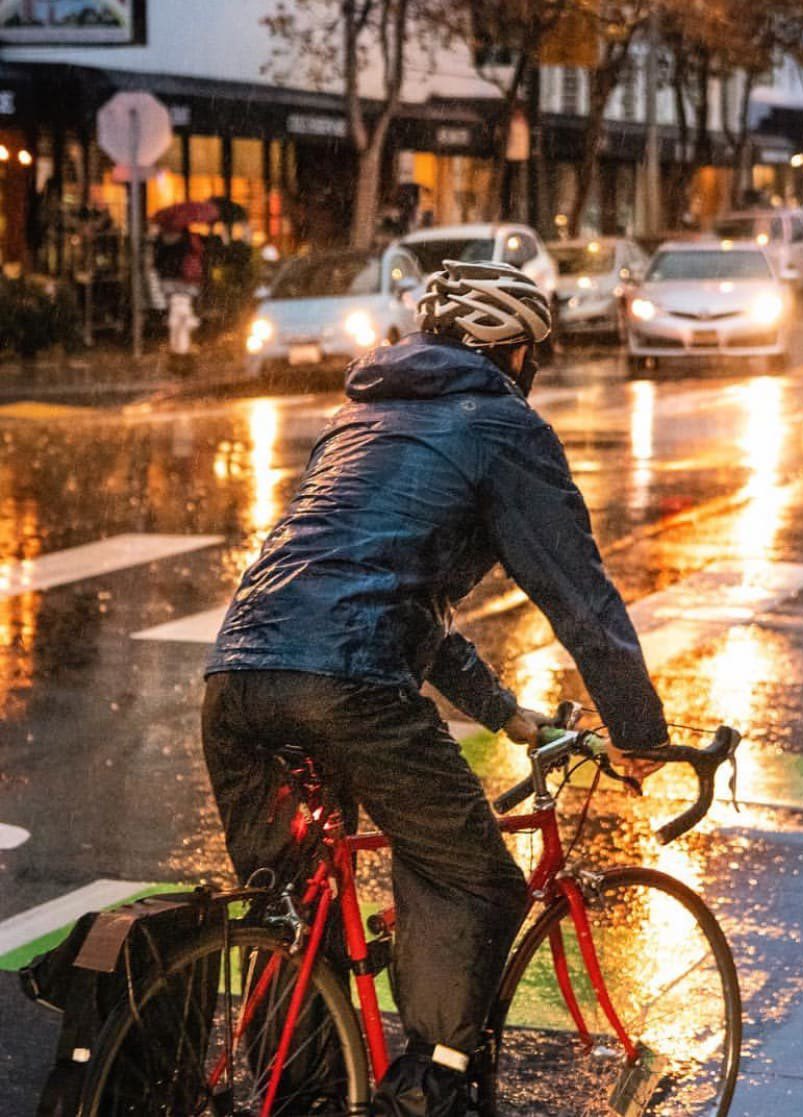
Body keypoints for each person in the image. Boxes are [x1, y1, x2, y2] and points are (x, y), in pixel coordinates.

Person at [202, 259, 668, 1116]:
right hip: (348, 686)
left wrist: (509, 717)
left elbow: (398, 604)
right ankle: (429, 1086)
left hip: (236, 680)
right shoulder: (501, 425)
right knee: (475, 878)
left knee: (294, 912)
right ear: (510, 352)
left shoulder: (356, 416)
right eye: (537, 354)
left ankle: (294, 1094)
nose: (537, 371)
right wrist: (639, 730)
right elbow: (578, 594)